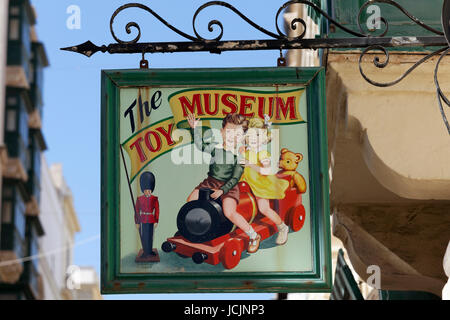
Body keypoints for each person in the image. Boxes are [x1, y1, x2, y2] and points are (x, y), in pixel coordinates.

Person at [186, 113, 261, 253]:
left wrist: (222, 191)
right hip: (210, 182)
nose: (233, 136)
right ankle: (196, 230)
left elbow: (234, 178)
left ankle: (253, 235)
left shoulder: (240, 157)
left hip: (229, 187)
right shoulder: (216, 147)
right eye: (229, 131)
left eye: (237, 134)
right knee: (190, 201)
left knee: (229, 212)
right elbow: (200, 145)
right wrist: (195, 129)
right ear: (222, 131)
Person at [240, 116, 290, 246]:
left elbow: (266, 171)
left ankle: (282, 227)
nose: (253, 139)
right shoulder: (246, 152)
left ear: (264, 138)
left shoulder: (262, 154)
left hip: (261, 184)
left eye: (257, 135)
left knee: (264, 208)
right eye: (250, 136)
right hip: (247, 182)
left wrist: (250, 165)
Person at [135, 171, 159, 258]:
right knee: (144, 236)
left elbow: (157, 210)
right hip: (143, 219)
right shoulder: (139, 199)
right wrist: (137, 222)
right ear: (143, 190)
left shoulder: (154, 199)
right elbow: (137, 211)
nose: (148, 192)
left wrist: (156, 220)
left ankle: (149, 251)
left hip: (151, 219)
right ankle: (145, 251)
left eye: (149, 190)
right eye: (146, 190)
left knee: (150, 236)